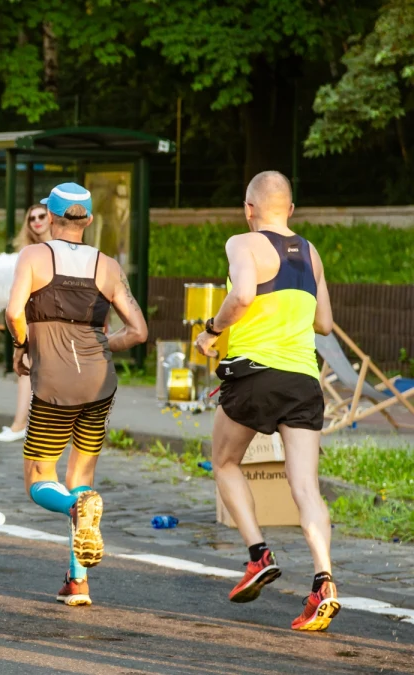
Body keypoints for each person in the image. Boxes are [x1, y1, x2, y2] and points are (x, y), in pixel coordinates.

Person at [195, 171, 339, 632]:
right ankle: (324, 581)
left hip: (256, 375)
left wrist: (212, 331)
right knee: (305, 488)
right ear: (291, 210)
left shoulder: (243, 242)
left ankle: (258, 555)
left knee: (224, 461)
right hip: (303, 380)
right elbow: (325, 324)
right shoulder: (311, 252)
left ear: (248, 208)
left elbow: (241, 295)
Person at [5, 182, 147, 608]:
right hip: (100, 382)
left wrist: (21, 345)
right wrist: (105, 345)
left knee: (38, 480)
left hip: (55, 382)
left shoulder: (34, 255)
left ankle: (72, 509)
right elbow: (139, 330)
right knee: (82, 482)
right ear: (86, 219)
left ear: (50, 216)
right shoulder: (107, 265)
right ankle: (77, 582)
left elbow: (14, 312)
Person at [0, 203, 53, 444]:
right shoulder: (26, 251)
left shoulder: (60, 248)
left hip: (57, 315)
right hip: (33, 313)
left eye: (41, 216)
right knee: (27, 368)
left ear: (51, 218)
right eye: (32, 219)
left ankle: (30, 424)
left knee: (46, 370)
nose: (37, 221)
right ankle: (21, 423)